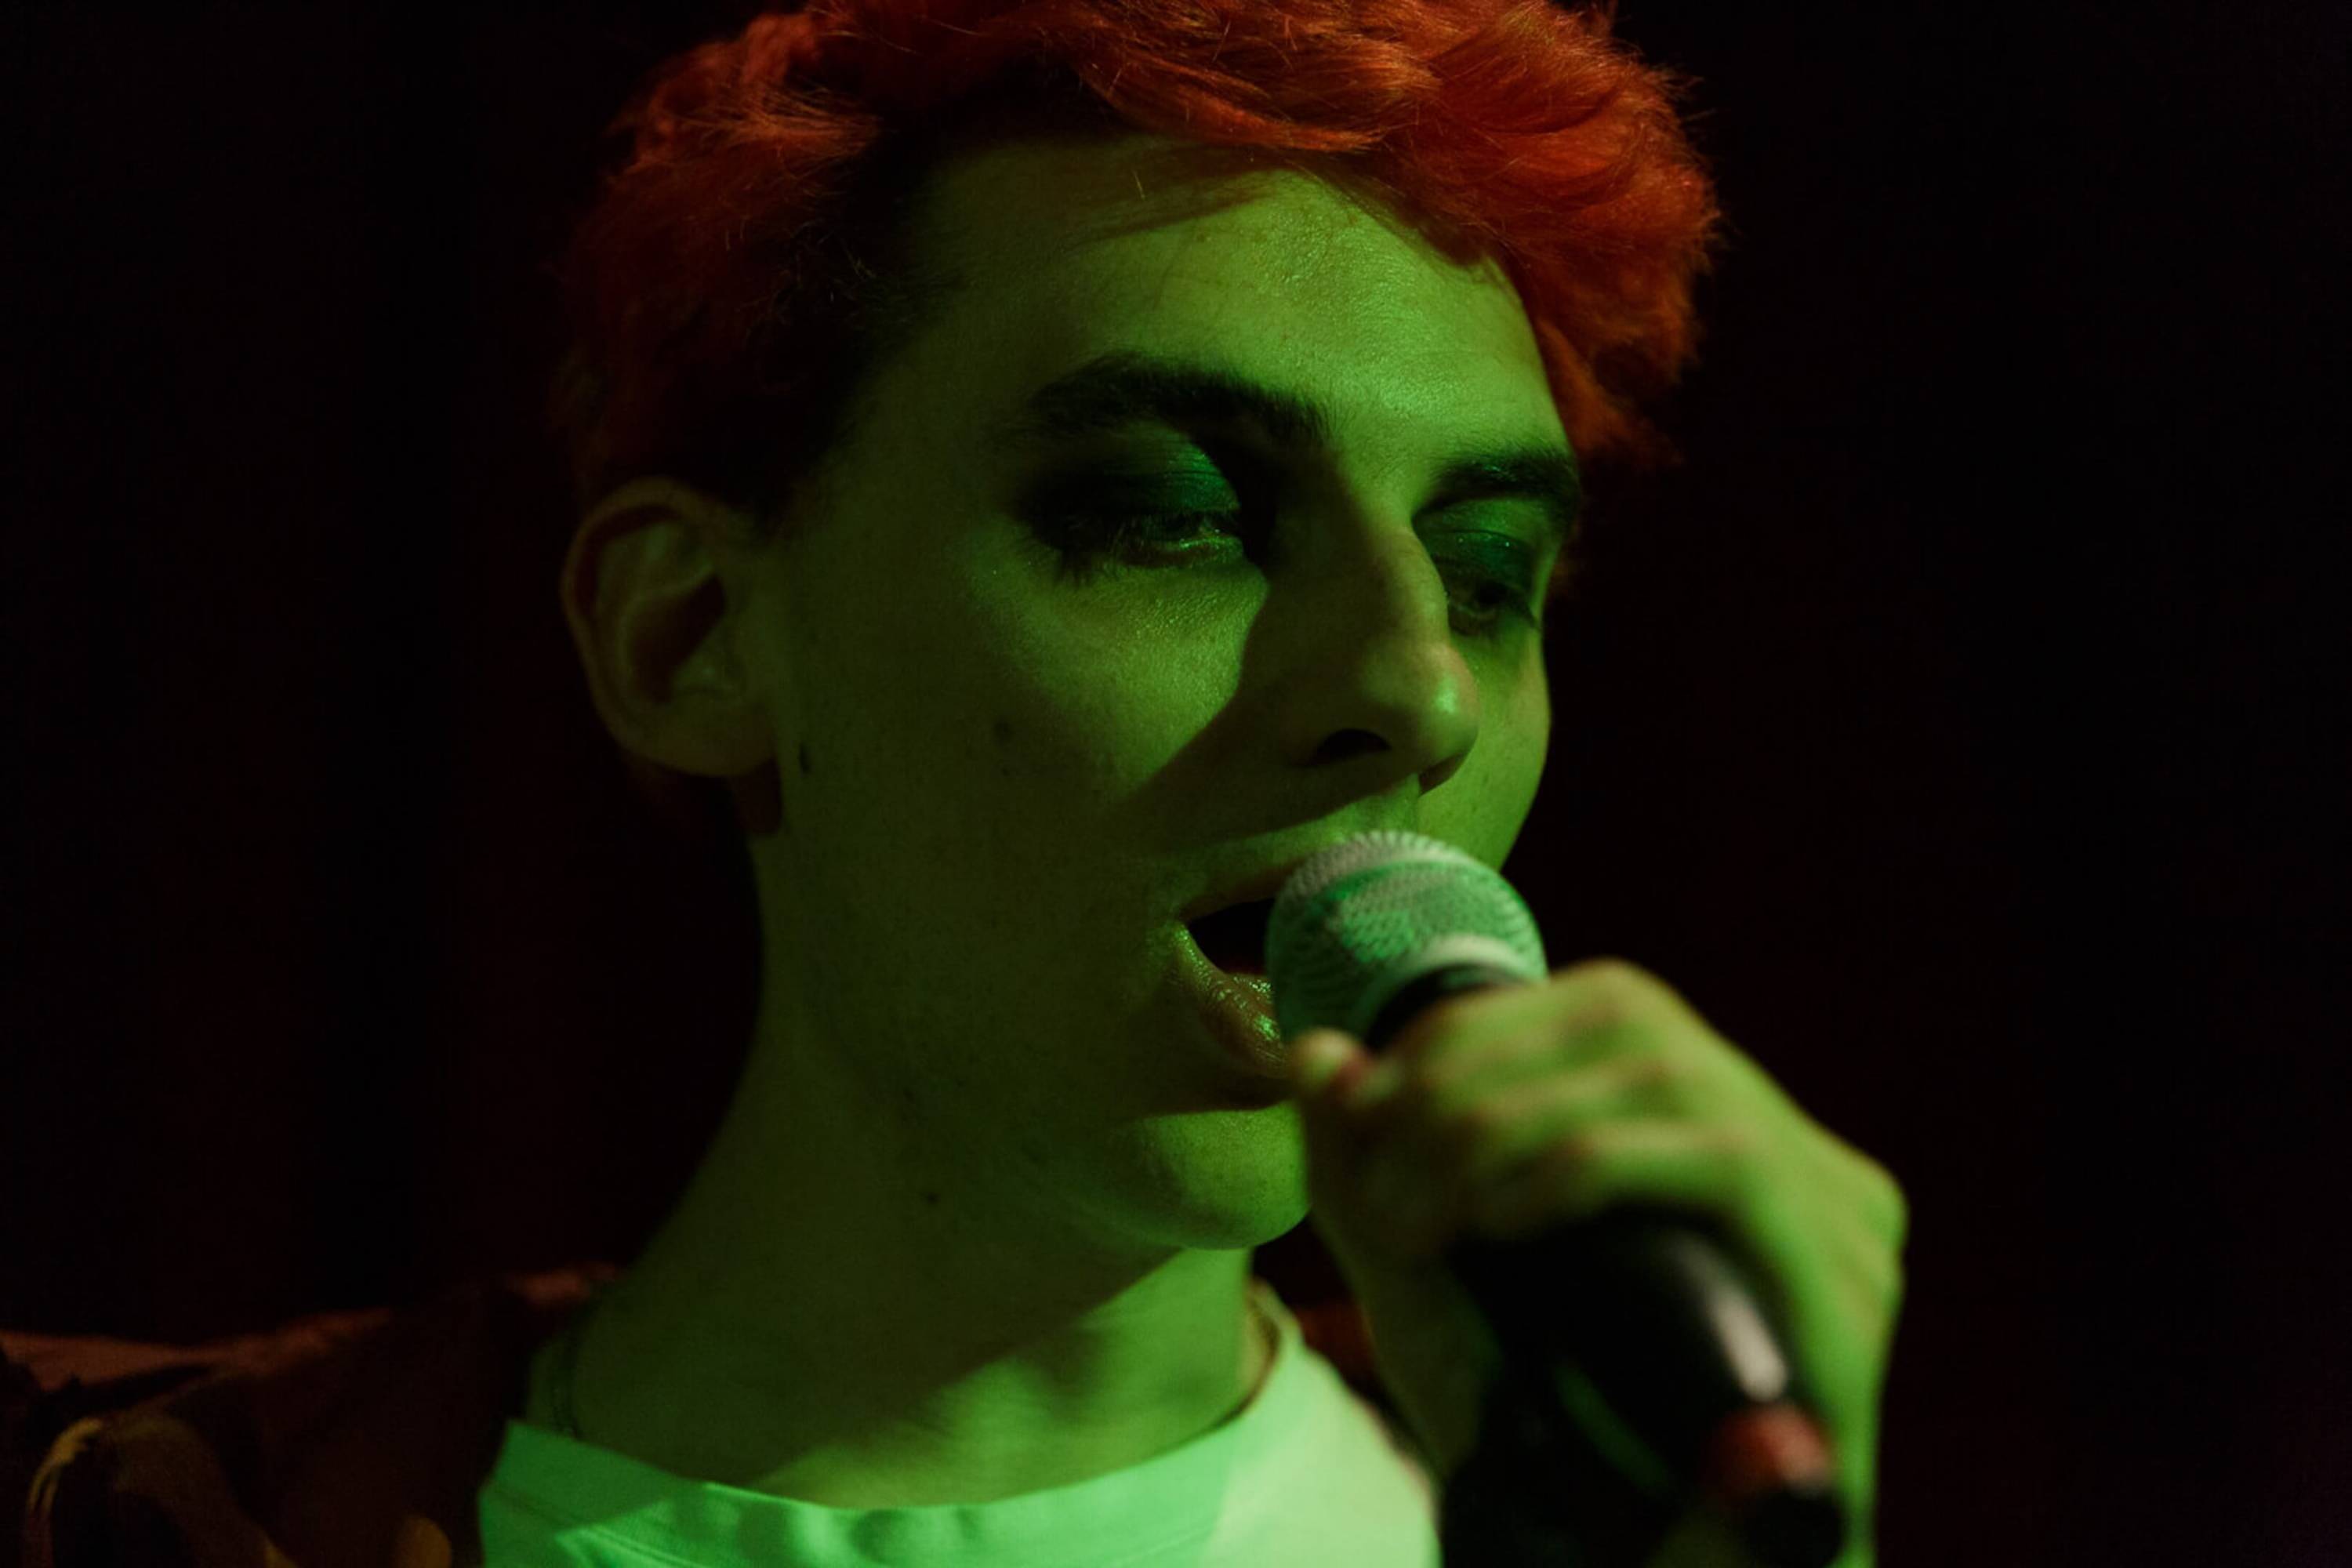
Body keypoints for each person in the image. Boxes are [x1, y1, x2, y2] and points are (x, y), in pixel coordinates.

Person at [7, 4, 1904, 1565]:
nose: (1419, 684)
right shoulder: (133, 1509)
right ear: (690, 637)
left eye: (1487, 571)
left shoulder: (1619, 1517)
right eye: (1172, 514)